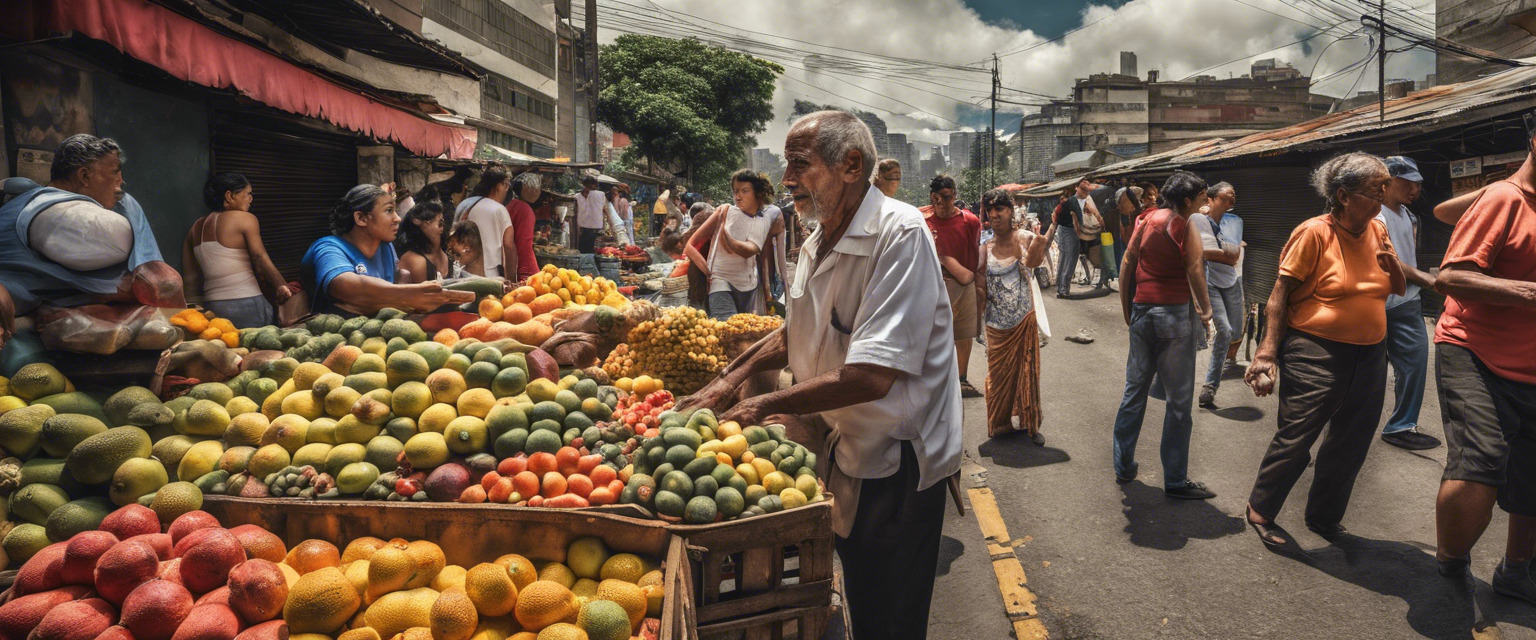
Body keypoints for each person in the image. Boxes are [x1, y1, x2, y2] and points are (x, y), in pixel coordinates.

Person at [684, 110, 960, 640]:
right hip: (843, 447)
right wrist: (724, 382)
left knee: (889, 614)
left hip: (896, 459)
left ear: (851, 165)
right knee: (858, 587)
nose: (787, 179)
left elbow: (874, 375)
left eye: (799, 164)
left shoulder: (899, 234)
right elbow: (796, 332)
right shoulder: (815, 240)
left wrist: (762, 406)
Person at [1242, 153, 1405, 547]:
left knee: (1352, 439)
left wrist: (1394, 264)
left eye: (1386, 186)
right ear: (1344, 195)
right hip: (1314, 350)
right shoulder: (1314, 232)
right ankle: (1261, 509)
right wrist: (1266, 353)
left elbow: (1397, 288)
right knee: (1297, 434)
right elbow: (1278, 297)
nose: (1385, 195)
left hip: (1369, 352)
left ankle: (1324, 516)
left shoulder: (1378, 230)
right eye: (1377, 188)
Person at [1431, 125, 1536, 621]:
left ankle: (1516, 571)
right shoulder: (1503, 198)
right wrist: (1527, 292)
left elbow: (1447, 210)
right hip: (1474, 350)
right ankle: (1450, 566)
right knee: (1483, 457)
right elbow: (1450, 276)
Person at [1112, 171, 1215, 500]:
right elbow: (1195, 268)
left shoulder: (1147, 219)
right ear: (1187, 200)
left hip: (1143, 312)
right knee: (1179, 404)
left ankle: (1123, 466)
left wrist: (1129, 311)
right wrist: (1207, 310)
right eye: (1202, 197)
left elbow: (1127, 263)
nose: (1206, 202)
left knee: (1134, 392)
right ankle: (1175, 480)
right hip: (1172, 315)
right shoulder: (1184, 225)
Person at [0, 134, 169, 315]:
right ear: (85, 176)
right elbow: (114, 237)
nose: (121, 180)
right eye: (114, 172)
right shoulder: (55, 210)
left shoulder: (25, 201)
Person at [300, 184, 474, 316]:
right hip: (333, 344)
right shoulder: (328, 248)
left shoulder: (385, 246)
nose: (398, 218)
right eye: (389, 211)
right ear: (361, 218)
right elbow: (345, 287)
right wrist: (410, 295)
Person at [976, 188, 1055, 443]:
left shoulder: (1024, 238)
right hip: (996, 324)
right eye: (991, 210)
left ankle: (1031, 425)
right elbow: (980, 287)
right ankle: (999, 424)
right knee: (998, 377)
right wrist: (977, 321)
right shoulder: (984, 247)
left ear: (1010, 212)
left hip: (1023, 320)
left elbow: (1032, 263)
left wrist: (1041, 242)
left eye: (1000, 209)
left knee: (1027, 373)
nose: (995, 214)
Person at [1375, 157, 1442, 450]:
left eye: (1419, 184)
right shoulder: (1374, 215)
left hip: (1407, 301)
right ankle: (1344, 424)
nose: (1416, 190)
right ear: (1387, 181)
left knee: (1415, 364)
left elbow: (1407, 258)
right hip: (1373, 304)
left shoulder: (1409, 216)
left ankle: (1401, 426)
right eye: (1409, 183)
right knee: (1364, 373)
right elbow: (1389, 262)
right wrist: (1430, 281)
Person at [181, 173, 292, 328]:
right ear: (229, 196)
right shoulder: (244, 218)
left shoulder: (194, 229)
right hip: (247, 304)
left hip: (213, 308)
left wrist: (196, 314)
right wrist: (281, 285)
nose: (251, 199)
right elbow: (259, 256)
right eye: (248, 193)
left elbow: (191, 278)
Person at [684, 170, 782, 320]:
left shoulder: (764, 219)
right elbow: (689, 246)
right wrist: (708, 271)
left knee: (740, 331)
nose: (738, 196)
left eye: (744, 191)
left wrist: (767, 290)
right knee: (726, 328)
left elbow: (751, 252)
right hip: (720, 283)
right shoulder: (725, 211)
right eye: (736, 191)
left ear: (759, 193)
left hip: (748, 286)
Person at [921, 175, 983, 397]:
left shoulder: (970, 221)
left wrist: (975, 289)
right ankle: (936, 381)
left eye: (947, 198)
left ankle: (962, 379)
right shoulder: (922, 220)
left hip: (964, 283)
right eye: (936, 198)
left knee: (963, 335)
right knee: (934, 337)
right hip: (933, 287)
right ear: (932, 197)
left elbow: (976, 259)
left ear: (955, 196)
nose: (941, 204)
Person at [1190, 182, 1245, 408]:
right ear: (1210, 199)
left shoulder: (1235, 221)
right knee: (1225, 329)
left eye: (1232, 198)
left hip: (1231, 281)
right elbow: (1207, 253)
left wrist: (1226, 251)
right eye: (1224, 197)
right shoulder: (1198, 220)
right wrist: (1226, 251)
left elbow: (1233, 255)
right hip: (1210, 280)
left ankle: (1220, 365)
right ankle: (1210, 387)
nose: (1229, 201)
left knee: (1235, 330)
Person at [455, 166, 516, 278]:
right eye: (506, 185)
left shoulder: (467, 205)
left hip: (466, 271)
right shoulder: (500, 210)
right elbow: (508, 245)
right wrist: (512, 279)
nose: (507, 189)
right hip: (491, 273)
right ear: (498, 186)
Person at [1056, 179, 1102, 296]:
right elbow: (1080, 221)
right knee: (1069, 259)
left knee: (1065, 258)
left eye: (1087, 187)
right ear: (1077, 188)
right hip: (1068, 231)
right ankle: (1063, 289)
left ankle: (1061, 287)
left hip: (1071, 231)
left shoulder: (1085, 201)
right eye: (1083, 187)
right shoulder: (1072, 202)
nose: (1086, 189)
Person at [395, 200, 455, 283]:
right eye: (440, 223)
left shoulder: (446, 254)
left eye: (442, 223)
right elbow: (420, 295)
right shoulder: (416, 260)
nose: (442, 228)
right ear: (424, 225)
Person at [504, 173, 541, 282]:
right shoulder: (524, 210)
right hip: (524, 270)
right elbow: (524, 244)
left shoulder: (510, 205)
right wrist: (526, 273)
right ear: (528, 189)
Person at [575, 176, 606, 253]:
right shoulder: (577, 196)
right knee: (585, 250)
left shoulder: (600, 194)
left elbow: (603, 208)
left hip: (594, 228)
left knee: (589, 250)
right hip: (584, 228)